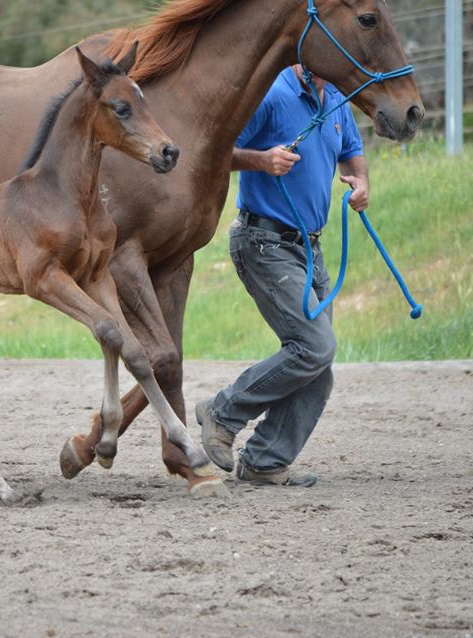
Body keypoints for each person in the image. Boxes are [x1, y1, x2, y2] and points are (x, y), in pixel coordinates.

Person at [195, 65, 369, 487]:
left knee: (318, 363)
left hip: (311, 248)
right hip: (263, 241)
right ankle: (222, 412)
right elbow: (214, 150)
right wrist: (262, 159)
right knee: (314, 346)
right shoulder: (271, 93)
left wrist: (361, 182)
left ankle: (265, 461)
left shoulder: (337, 101)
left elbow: (352, 151)